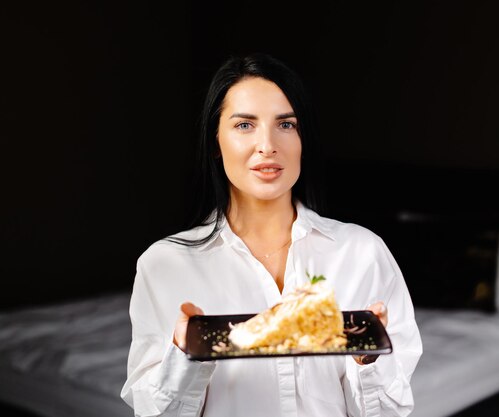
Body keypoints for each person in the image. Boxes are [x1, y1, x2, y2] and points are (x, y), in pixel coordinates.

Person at [120, 52, 422, 417]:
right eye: (244, 125)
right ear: (216, 142)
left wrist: (367, 357)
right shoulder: (164, 265)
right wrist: (185, 355)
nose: (267, 145)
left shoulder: (363, 253)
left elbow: (390, 413)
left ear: (302, 139)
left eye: (286, 124)